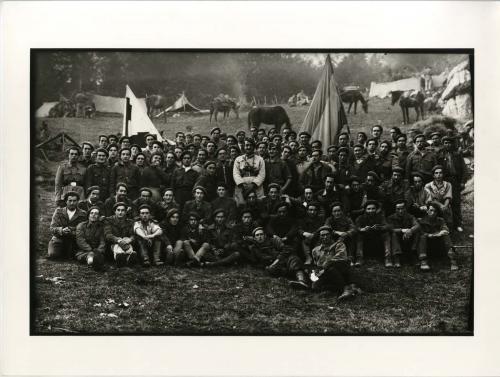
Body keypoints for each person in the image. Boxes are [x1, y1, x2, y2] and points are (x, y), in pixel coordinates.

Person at [308, 226, 358, 300]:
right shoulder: (315, 250)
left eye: (327, 234)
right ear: (319, 237)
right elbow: (316, 264)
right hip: (324, 273)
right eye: (322, 235)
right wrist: (315, 272)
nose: (325, 237)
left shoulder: (339, 245)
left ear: (331, 235)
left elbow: (341, 257)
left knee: (331, 268)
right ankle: (342, 288)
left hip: (339, 269)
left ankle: (346, 290)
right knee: (315, 286)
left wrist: (327, 263)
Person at [418, 202, 458, 271]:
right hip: (427, 247)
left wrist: (442, 232)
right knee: (422, 237)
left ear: (437, 212)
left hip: (439, 245)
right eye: (430, 210)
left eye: (435, 211)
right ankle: (423, 261)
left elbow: (445, 228)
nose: (432, 213)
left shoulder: (440, 220)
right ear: (427, 211)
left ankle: (453, 260)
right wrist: (429, 235)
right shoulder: (422, 221)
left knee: (445, 234)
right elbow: (420, 232)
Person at [438, 136, 467, 232]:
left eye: (449, 143)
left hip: (455, 181)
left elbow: (464, 169)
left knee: (456, 203)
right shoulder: (440, 155)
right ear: (443, 144)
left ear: (452, 144)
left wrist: (462, 182)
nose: (448, 144)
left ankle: (458, 224)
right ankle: (444, 224)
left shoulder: (457, 155)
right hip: (444, 181)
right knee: (444, 202)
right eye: (445, 142)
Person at [47, 192, 87, 260]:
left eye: (74, 201)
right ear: (66, 201)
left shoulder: (83, 214)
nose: (72, 203)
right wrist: (61, 230)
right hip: (59, 238)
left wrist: (71, 231)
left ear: (78, 201)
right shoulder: (58, 211)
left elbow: (84, 230)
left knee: (75, 255)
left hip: (75, 239)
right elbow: (52, 228)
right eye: (70, 201)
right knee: (53, 254)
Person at [355, 200, 392, 267]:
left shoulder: (380, 217)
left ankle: (388, 258)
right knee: (359, 235)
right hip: (366, 242)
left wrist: (380, 227)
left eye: (373, 208)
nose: (371, 211)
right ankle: (359, 258)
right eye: (368, 209)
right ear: (365, 210)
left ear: (376, 209)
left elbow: (387, 226)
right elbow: (356, 228)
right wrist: (362, 229)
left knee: (386, 234)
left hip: (377, 241)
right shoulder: (360, 218)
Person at [387, 199, 421, 268]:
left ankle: (413, 254)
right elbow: (391, 229)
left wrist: (410, 231)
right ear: (395, 209)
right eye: (398, 209)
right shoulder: (391, 218)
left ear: (405, 208)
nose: (400, 211)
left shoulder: (410, 216)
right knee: (394, 234)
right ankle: (397, 258)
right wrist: (402, 230)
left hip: (408, 238)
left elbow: (417, 225)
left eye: (402, 208)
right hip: (397, 241)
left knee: (417, 232)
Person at [104, 202, 138, 267]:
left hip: (126, 243)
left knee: (129, 247)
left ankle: (129, 258)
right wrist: (118, 240)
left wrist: (130, 239)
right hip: (113, 244)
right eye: (118, 210)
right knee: (117, 247)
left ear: (126, 212)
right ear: (115, 211)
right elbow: (108, 235)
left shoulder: (130, 222)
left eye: (123, 210)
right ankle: (119, 258)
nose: (120, 212)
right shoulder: (108, 220)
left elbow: (133, 234)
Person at [233, 139, 266, 205]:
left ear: (254, 147)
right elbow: (236, 173)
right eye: (246, 145)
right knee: (241, 203)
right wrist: (242, 184)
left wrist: (253, 185)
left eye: (251, 145)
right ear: (244, 147)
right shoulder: (238, 159)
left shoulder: (260, 159)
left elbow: (262, 174)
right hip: (242, 185)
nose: (248, 147)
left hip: (256, 185)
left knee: (258, 203)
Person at [75, 206, 106, 271]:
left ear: (99, 216)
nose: (93, 215)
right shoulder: (81, 226)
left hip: (97, 251)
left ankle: (96, 261)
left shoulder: (101, 227)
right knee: (90, 258)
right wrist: (90, 250)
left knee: (99, 257)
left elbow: (102, 241)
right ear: (88, 215)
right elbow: (80, 241)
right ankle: (92, 261)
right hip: (83, 251)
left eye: (96, 213)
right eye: (91, 213)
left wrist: (99, 251)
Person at [298, 202, 323, 266]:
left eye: (314, 210)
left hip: (317, 238)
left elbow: (321, 228)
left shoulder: (320, 219)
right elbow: (299, 229)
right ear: (307, 211)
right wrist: (304, 233)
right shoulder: (303, 219)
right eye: (310, 210)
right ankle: (308, 257)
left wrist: (314, 234)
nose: (312, 212)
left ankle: (317, 258)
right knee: (303, 240)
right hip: (306, 239)